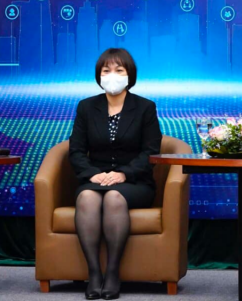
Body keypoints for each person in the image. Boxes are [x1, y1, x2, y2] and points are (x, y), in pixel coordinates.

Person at [68, 48, 163, 300]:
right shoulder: (86, 107)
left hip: (134, 182)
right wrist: (92, 174)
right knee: (87, 197)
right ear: (98, 75)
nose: (112, 75)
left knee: (113, 197)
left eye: (119, 70)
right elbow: (76, 151)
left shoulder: (145, 107)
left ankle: (112, 273)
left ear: (129, 75)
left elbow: (151, 152)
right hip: (96, 179)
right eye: (106, 70)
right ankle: (94, 273)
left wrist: (123, 174)